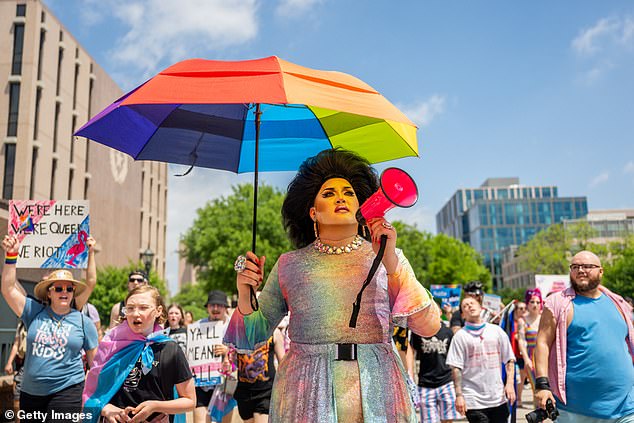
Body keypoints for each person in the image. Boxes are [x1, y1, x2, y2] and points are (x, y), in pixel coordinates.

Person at [225, 148, 441, 422]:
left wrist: (390, 262)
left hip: (379, 389)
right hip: (305, 392)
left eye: (349, 192)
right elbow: (249, 337)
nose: (341, 197)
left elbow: (429, 325)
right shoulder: (288, 264)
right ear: (313, 213)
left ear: (361, 205)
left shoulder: (389, 256)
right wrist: (244, 292)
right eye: (329, 193)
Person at [1, 234, 99, 418]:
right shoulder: (34, 311)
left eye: (69, 289)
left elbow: (96, 364)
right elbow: (7, 289)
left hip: (67, 390)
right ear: (49, 293)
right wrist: (11, 256)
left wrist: (96, 397)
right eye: (58, 288)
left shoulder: (83, 321)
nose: (65, 292)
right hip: (31, 393)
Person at [534, 251, 634, 422]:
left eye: (587, 266)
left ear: (601, 271)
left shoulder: (618, 303)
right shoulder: (559, 303)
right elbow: (542, 343)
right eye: (575, 267)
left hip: (625, 407)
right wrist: (542, 385)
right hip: (575, 410)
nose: (580, 270)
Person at [84, 285, 195, 422]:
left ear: (158, 311)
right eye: (130, 308)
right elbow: (92, 394)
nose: (136, 313)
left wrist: (155, 406)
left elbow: (190, 401)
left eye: (143, 307)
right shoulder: (111, 346)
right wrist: (106, 408)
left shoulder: (171, 349)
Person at [446, 297, 516, 423]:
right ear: (462, 315)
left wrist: (510, 384)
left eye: (472, 303)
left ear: (481, 307)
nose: (470, 306)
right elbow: (456, 368)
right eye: (465, 306)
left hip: (498, 398)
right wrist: (459, 396)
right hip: (473, 401)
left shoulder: (497, 331)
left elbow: (510, 359)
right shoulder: (460, 337)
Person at [407, 324, 460, 423]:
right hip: (425, 383)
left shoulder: (448, 332)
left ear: (439, 312)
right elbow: (412, 353)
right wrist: (411, 376)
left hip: (446, 382)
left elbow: (453, 356)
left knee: (448, 419)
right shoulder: (418, 332)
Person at [194, 290, 233, 423]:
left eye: (219, 305)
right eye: (212, 305)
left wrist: (228, 350)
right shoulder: (197, 327)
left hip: (225, 385)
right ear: (207, 308)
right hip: (201, 385)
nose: (215, 309)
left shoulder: (234, 327)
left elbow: (246, 353)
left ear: (225, 308)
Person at [233, 329, 286, 423]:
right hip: (244, 392)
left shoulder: (274, 332)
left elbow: (283, 363)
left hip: (266, 391)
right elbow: (234, 361)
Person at [4, 319, 26, 421]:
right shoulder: (21, 322)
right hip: (22, 363)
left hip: (37, 363)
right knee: (18, 394)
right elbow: (16, 344)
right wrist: (9, 363)